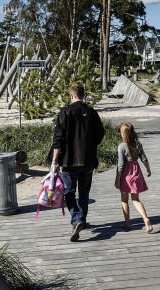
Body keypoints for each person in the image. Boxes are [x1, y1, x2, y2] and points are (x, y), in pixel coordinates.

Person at [51, 84, 105, 242]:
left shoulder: (65, 112)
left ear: (71, 96)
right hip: (88, 160)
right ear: (83, 95)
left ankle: (76, 218)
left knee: (68, 191)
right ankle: (82, 219)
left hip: (69, 161)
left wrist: (54, 161)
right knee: (84, 192)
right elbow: (100, 135)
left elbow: (58, 139)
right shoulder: (92, 112)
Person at [116, 122, 153, 233]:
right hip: (136, 172)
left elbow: (121, 164)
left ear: (122, 134)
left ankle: (127, 222)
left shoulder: (121, 146)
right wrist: (148, 169)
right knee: (135, 199)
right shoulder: (137, 144)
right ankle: (145, 218)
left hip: (125, 175)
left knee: (124, 200)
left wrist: (118, 178)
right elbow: (144, 158)